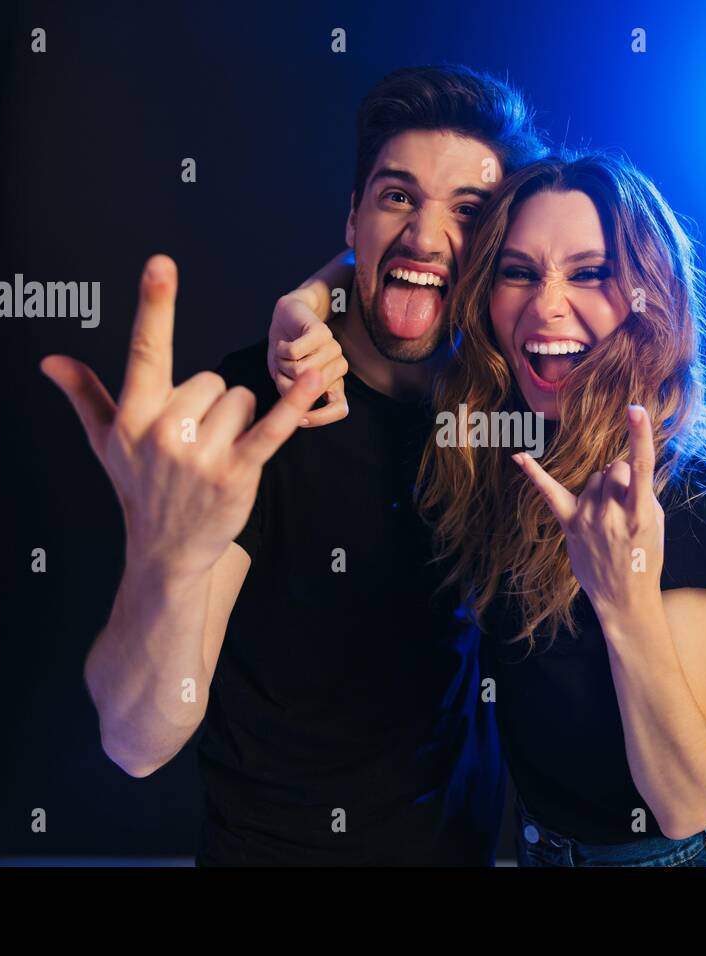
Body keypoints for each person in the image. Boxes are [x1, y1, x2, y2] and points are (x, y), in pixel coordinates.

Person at [41, 65, 548, 865]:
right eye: (397, 197)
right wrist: (164, 563)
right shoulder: (253, 411)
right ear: (353, 220)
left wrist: (313, 294)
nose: (423, 236)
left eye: (469, 210)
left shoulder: (498, 407)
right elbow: (136, 741)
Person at [413, 151, 706, 866]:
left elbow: (688, 801)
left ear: (648, 294)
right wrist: (301, 304)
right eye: (518, 272)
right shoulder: (498, 441)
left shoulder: (681, 489)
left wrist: (625, 597)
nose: (546, 304)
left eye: (588, 273)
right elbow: (400, 266)